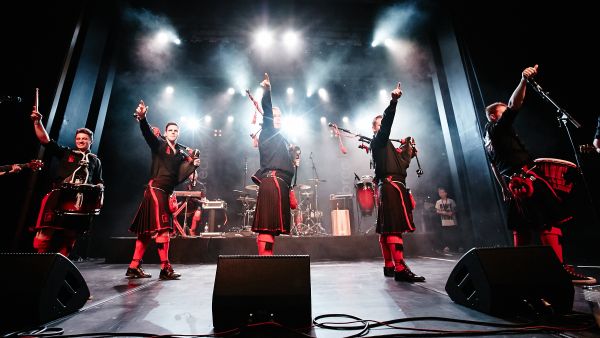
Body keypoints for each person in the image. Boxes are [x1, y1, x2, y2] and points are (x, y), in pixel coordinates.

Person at [484, 64, 596, 285]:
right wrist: (524, 80)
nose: (508, 113)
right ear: (494, 117)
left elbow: (493, 166)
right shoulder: (497, 128)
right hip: (526, 180)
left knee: (522, 229)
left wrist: (504, 189)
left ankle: (521, 274)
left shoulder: (488, 139)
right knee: (549, 221)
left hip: (514, 185)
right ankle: (558, 270)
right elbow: (515, 104)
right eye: (503, 112)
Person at [127, 100, 201, 280]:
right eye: (171, 130)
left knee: (145, 232)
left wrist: (193, 166)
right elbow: (146, 133)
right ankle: (165, 268)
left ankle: (133, 267)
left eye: (176, 130)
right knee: (164, 229)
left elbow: (181, 174)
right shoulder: (158, 145)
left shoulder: (180, 153)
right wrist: (143, 118)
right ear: (166, 133)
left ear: (179, 133)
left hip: (165, 191)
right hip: (156, 189)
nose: (174, 133)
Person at [370, 82, 425, 283]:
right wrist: (393, 102)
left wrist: (409, 148)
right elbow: (387, 125)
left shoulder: (389, 149)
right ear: (375, 128)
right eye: (380, 123)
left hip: (395, 185)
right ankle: (401, 269)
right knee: (392, 228)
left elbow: (402, 166)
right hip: (390, 187)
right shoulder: (378, 141)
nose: (383, 125)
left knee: (388, 227)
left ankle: (390, 266)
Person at [30, 107, 104, 257]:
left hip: (79, 201)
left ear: (91, 141)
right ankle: (38, 263)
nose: (81, 141)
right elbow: (45, 140)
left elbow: (99, 181)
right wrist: (38, 122)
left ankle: (61, 265)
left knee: (71, 235)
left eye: (84, 139)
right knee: (46, 231)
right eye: (78, 139)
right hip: (60, 196)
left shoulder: (95, 160)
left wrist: (99, 190)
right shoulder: (66, 153)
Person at [250, 73, 296, 255]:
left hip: (280, 185)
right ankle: (265, 264)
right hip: (272, 183)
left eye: (279, 116)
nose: (276, 118)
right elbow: (267, 109)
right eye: (273, 116)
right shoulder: (268, 130)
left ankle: (267, 262)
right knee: (267, 228)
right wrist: (266, 91)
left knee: (270, 229)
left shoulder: (282, 138)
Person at [435, 187, 461, 254]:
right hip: (444, 222)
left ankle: (457, 247)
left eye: (442, 192)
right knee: (446, 236)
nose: (441, 194)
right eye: (439, 193)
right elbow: (437, 211)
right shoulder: (438, 202)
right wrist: (445, 213)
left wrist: (452, 212)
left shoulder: (451, 201)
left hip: (453, 221)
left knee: (454, 235)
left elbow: (456, 209)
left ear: (446, 193)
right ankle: (447, 247)